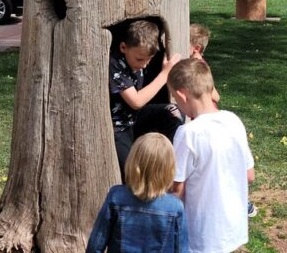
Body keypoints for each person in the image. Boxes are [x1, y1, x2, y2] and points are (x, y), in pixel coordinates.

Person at [169, 59, 255, 253]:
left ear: (183, 94)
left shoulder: (187, 133)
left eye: (175, 98)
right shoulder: (234, 121)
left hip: (203, 237)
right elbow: (249, 176)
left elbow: (177, 189)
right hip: (234, 231)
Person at [86, 133, 188, 253]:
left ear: (133, 161)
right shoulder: (175, 207)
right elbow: (181, 249)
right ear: (169, 168)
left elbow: (95, 245)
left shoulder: (116, 197)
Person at [110, 20, 181, 178]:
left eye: (148, 60)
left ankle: (167, 161)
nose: (144, 65)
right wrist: (164, 74)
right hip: (119, 126)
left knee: (174, 112)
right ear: (123, 48)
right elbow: (136, 102)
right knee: (132, 174)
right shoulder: (115, 64)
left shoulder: (139, 59)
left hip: (136, 117)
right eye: (139, 59)